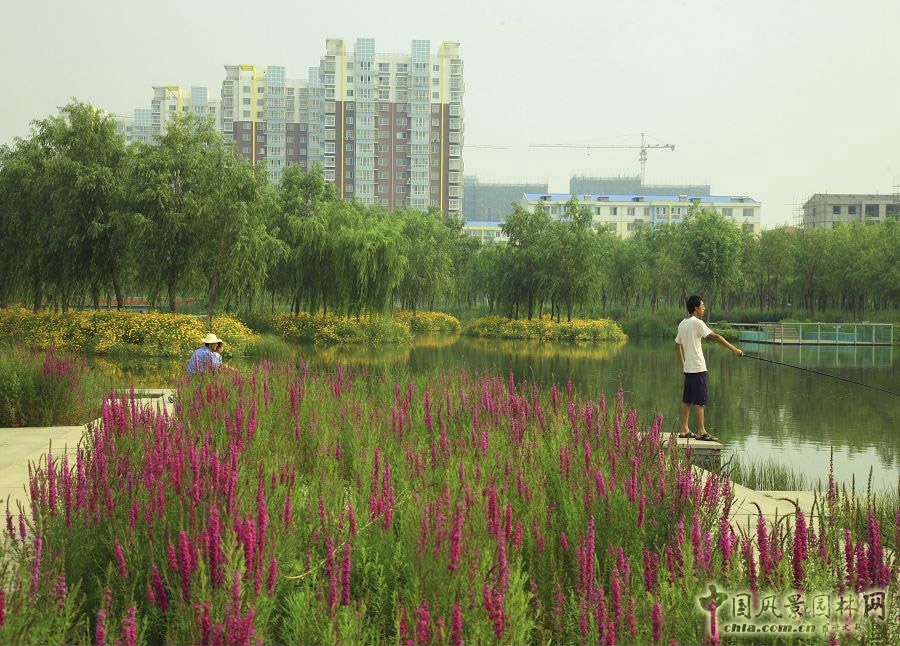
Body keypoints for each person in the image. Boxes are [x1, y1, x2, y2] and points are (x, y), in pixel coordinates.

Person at [675, 295, 743, 441]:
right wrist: (734, 349)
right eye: (702, 306)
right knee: (700, 400)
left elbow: (677, 346)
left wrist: (683, 363)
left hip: (688, 369)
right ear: (695, 308)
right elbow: (716, 336)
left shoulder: (682, 324)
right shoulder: (697, 323)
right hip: (698, 368)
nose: (704, 308)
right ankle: (701, 431)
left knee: (686, 399)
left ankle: (684, 429)